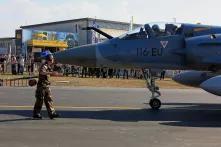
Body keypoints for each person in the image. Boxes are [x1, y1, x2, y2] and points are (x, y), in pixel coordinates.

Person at [33, 51, 59, 119]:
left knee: (49, 99)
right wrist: (51, 73)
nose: (52, 60)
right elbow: (41, 72)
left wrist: (53, 73)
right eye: (51, 59)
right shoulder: (44, 65)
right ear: (48, 60)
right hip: (41, 86)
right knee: (40, 100)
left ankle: (52, 113)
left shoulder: (48, 66)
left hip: (46, 86)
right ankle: (36, 113)